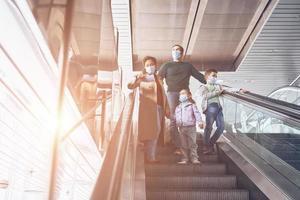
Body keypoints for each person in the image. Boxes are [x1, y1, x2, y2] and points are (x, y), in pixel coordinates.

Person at [158, 44, 206, 154]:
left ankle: (187, 144)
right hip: (172, 94)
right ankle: (178, 146)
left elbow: (200, 77)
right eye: (174, 50)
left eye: (178, 50)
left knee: (187, 120)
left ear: (182, 53)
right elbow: (158, 78)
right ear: (171, 52)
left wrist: (216, 83)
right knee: (174, 120)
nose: (176, 51)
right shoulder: (167, 65)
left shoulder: (187, 66)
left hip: (185, 95)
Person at [128, 56, 170, 163]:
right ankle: (150, 156)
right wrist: (136, 77)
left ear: (155, 66)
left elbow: (163, 94)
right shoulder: (142, 78)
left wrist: (167, 108)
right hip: (148, 108)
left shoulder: (159, 78)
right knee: (153, 131)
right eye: (147, 65)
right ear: (144, 67)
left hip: (160, 107)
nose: (150, 67)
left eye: (152, 64)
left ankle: (149, 154)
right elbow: (130, 86)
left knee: (156, 130)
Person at [199, 69, 246, 154]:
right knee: (209, 127)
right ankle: (206, 146)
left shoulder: (218, 86)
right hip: (210, 107)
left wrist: (239, 90)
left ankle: (210, 144)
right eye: (213, 75)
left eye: (216, 76)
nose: (215, 77)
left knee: (221, 127)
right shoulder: (203, 87)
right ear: (207, 77)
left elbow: (228, 89)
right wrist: (217, 93)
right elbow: (204, 96)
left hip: (218, 107)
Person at [174, 89, 203, 164]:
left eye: (183, 93)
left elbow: (197, 114)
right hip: (181, 128)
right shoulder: (178, 107)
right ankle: (184, 158)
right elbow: (175, 117)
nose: (181, 95)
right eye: (180, 94)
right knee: (183, 144)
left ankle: (194, 158)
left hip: (191, 127)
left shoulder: (192, 105)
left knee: (192, 143)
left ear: (189, 95)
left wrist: (200, 122)